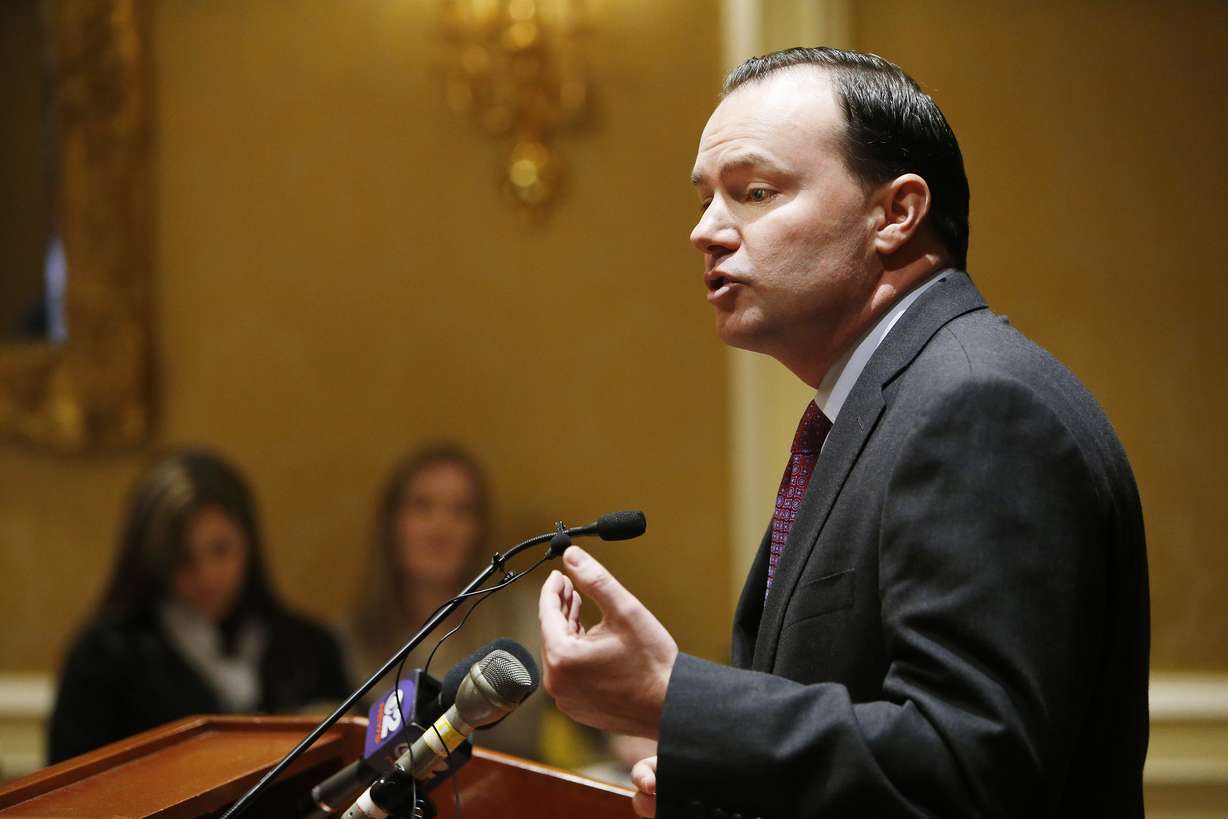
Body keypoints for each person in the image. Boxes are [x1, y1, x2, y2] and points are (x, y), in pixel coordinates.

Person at [538, 47, 1149, 818]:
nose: (706, 230)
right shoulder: (884, 404)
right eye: (705, 200)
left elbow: (968, 770)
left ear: (895, 213)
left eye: (754, 191)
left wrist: (673, 695)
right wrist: (730, 780)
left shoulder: (980, 405)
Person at [47, 449, 350, 763]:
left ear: (248, 542)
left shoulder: (310, 647)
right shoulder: (104, 659)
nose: (206, 576)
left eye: (220, 550)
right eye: (182, 558)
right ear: (151, 559)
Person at [343, 444, 547, 761]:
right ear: (392, 523)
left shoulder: (534, 618)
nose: (441, 527)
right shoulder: (347, 641)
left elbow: (603, 710)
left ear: (480, 531)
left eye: (461, 511)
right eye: (422, 507)